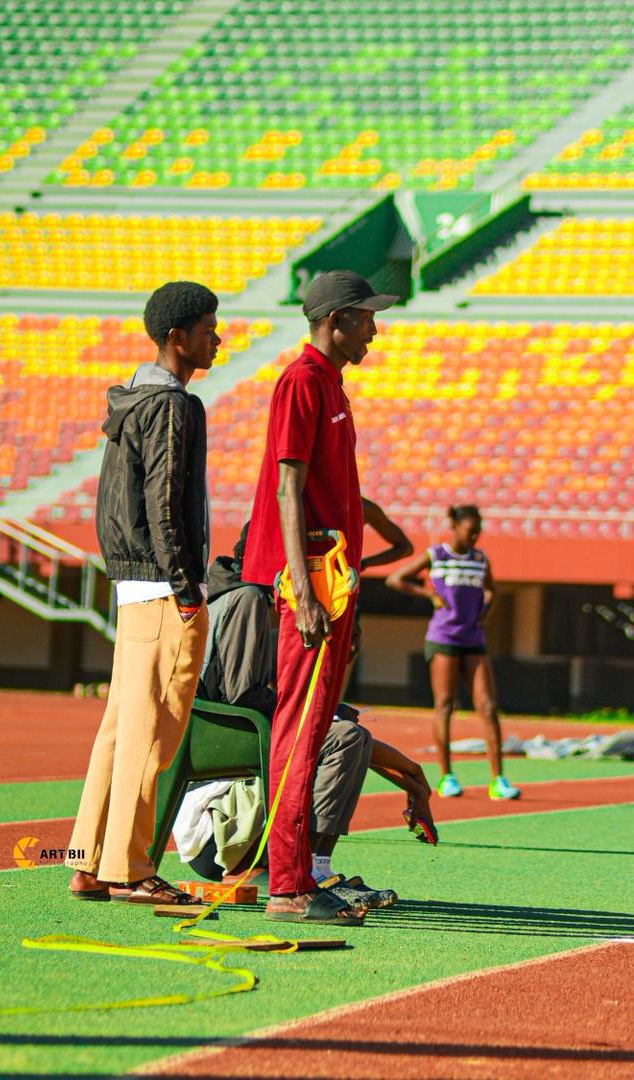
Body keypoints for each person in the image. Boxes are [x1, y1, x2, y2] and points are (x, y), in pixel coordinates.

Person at [242, 269, 399, 925]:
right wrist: (304, 594)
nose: (375, 327)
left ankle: (300, 872)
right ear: (335, 320)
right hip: (310, 583)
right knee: (300, 731)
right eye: (365, 317)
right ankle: (287, 884)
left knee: (315, 729)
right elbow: (286, 488)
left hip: (335, 585)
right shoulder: (302, 381)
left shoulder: (330, 384)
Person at [173, 519, 435, 909]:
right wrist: (321, 714)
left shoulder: (255, 599)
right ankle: (308, 871)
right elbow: (243, 698)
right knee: (345, 736)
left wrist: (408, 774)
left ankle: (315, 866)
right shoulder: (247, 600)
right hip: (219, 819)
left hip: (242, 782)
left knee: (345, 730)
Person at [65, 281, 221, 907]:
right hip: (164, 590)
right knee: (151, 734)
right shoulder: (176, 407)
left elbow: (117, 508)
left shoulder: (129, 402)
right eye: (209, 327)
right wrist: (186, 587)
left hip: (133, 587)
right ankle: (129, 869)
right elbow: (164, 505)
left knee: (119, 729)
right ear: (176, 338)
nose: (219, 336)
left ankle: (84, 860)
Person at [386, 504, 521, 801]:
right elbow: (395, 579)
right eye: (470, 531)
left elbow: (492, 590)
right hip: (444, 637)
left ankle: (498, 779)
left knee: (487, 706)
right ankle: (447, 776)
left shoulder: (479, 559)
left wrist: (484, 612)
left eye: (478, 532)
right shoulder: (437, 555)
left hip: (474, 638)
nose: (474, 537)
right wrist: (429, 594)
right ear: (455, 527)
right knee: (445, 705)